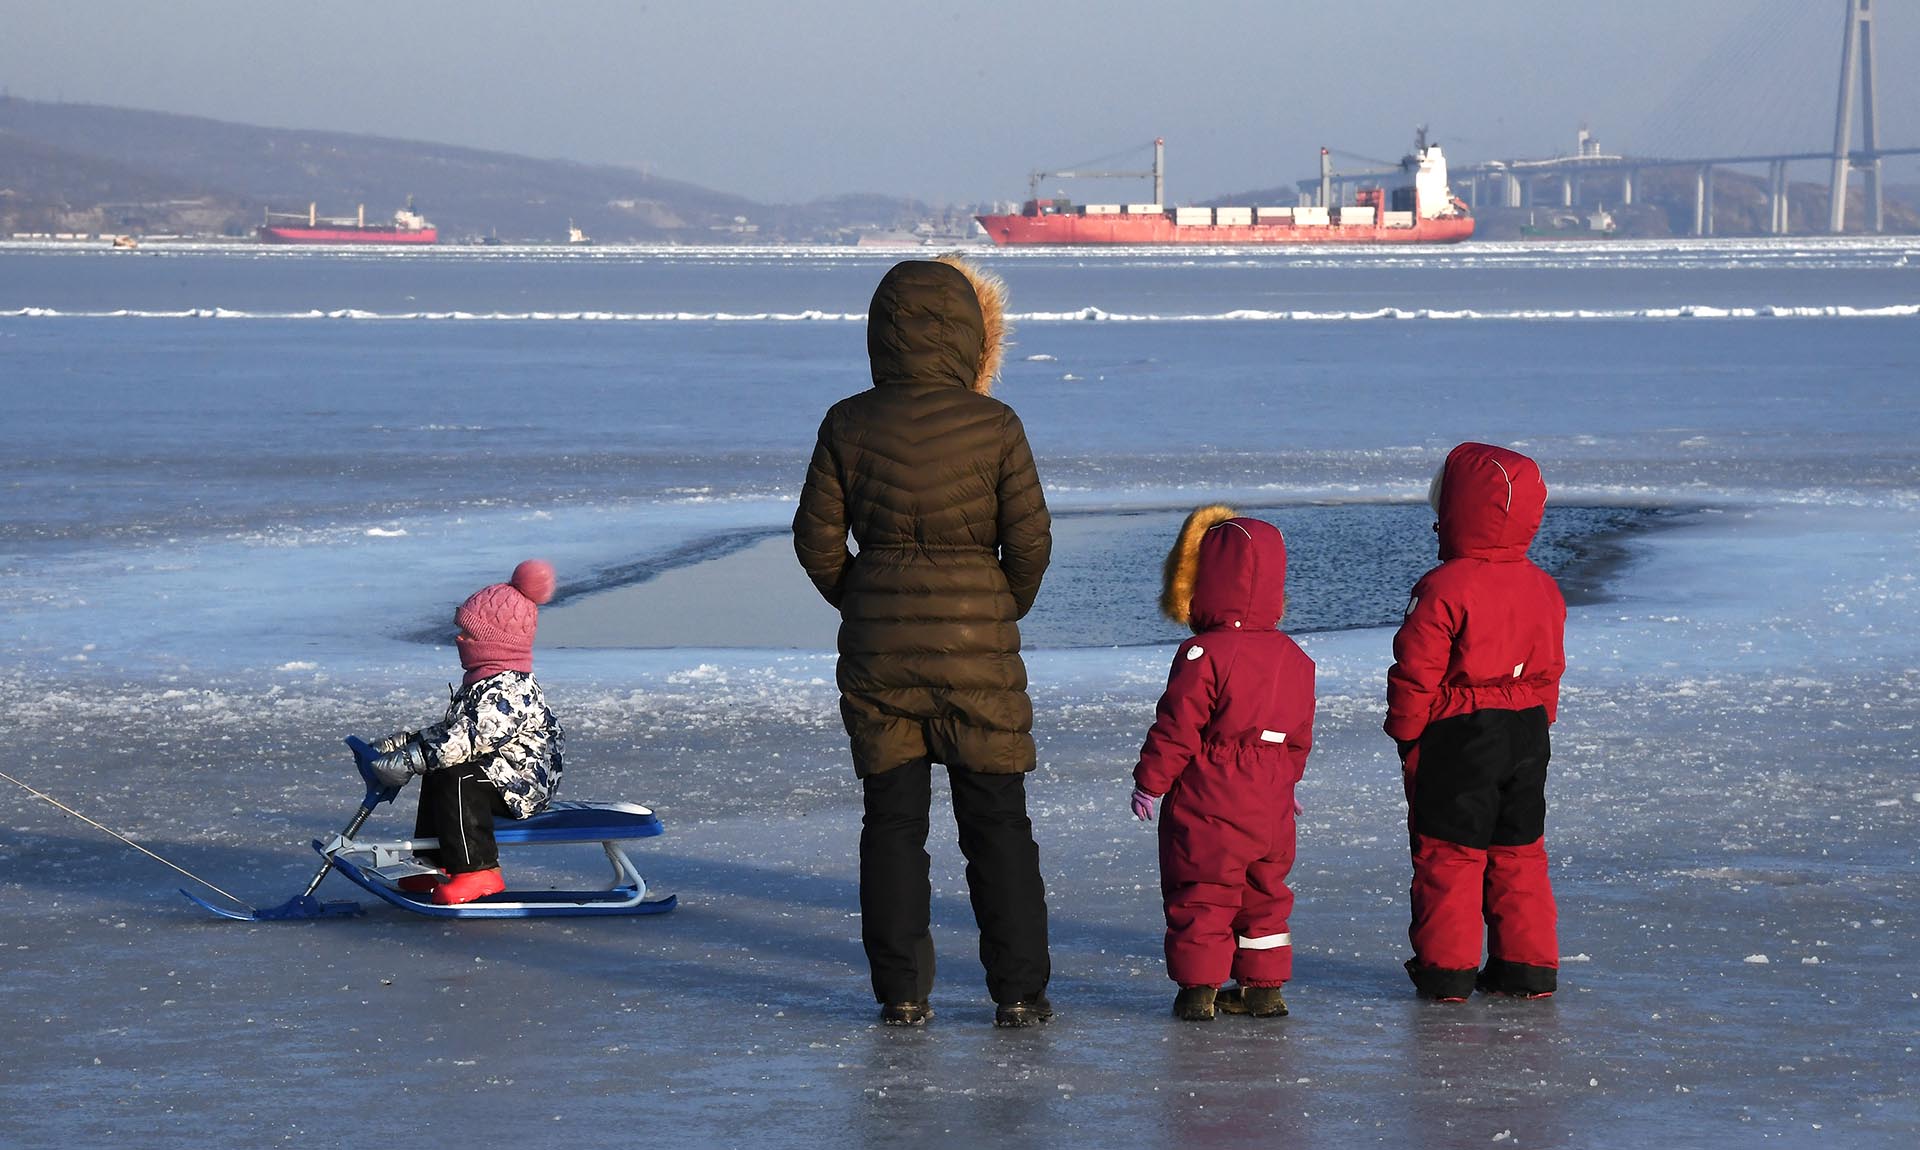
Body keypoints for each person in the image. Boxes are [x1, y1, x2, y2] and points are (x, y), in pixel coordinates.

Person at [793, 256, 1054, 1028]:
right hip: (980, 650)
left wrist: (865, 599)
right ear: (973, 337)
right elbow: (1031, 541)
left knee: (894, 824)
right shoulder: (995, 425)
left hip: (880, 653)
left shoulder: (848, 422)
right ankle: (1018, 991)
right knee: (998, 821)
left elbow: (816, 542)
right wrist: (1000, 606)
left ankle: (903, 992)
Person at [1385, 443, 1566, 1001]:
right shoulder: (1542, 586)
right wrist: (1540, 722)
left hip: (1460, 732)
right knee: (1519, 849)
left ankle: (1448, 970)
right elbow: (1550, 667)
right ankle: (1526, 966)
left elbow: (1417, 671)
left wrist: (1407, 732)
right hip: (1526, 731)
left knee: (1450, 853)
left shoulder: (1445, 587)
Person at [1131, 506, 1316, 1022]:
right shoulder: (1295, 658)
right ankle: (1263, 990)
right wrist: (1286, 783)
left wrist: (1150, 782)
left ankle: (1198, 990)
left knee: (1204, 892)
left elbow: (1178, 728)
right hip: (1270, 803)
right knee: (1265, 894)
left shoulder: (1203, 654)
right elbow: (1298, 737)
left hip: (1211, 800)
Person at [354, 559, 566, 906]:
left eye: (469, 633)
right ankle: (433, 861)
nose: (459, 638)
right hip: (497, 772)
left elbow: (469, 739)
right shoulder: (483, 682)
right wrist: (408, 744)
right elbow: (455, 731)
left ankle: (479, 870)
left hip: (524, 783)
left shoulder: (509, 689)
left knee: (456, 776)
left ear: (495, 643)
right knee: (441, 772)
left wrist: (412, 759)